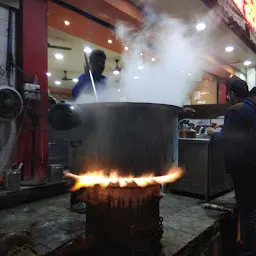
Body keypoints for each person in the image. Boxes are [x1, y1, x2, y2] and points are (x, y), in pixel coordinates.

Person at [208, 80, 256, 256]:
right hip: (253, 164)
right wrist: (224, 126)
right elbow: (244, 132)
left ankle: (249, 250)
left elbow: (228, 141)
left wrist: (214, 134)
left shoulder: (235, 110)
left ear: (232, 94)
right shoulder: (251, 107)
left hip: (244, 167)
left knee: (247, 210)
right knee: (251, 207)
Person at [70, 49, 107, 213]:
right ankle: (76, 200)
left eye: (103, 62)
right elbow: (76, 95)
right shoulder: (85, 79)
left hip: (102, 128)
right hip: (85, 128)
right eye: (97, 61)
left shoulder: (105, 81)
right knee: (83, 164)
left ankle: (94, 195)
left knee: (99, 163)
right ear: (90, 63)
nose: (101, 64)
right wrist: (88, 91)